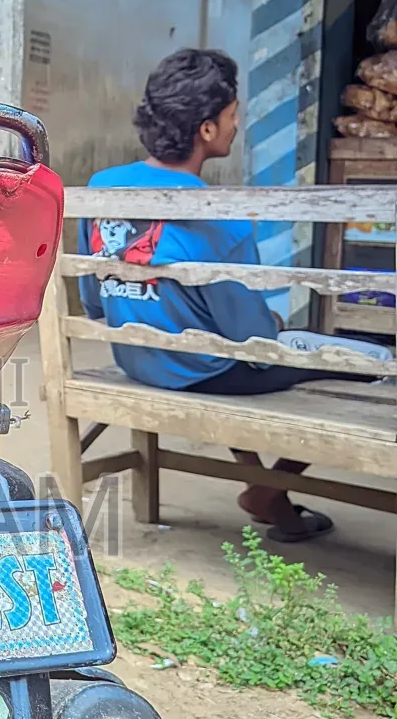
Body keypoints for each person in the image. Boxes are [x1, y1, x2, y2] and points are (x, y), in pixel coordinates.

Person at [78, 48, 377, 543]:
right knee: (361, 359)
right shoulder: (222, 213)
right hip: (206, 371)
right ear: (207, 130)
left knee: (214, 342)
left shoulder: (102, 187)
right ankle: (267, 492)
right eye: (232, 115)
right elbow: (250, 340)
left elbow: (93, 302)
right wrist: (278, 330)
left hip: (136, 357)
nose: (237, 125)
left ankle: (265, 492)